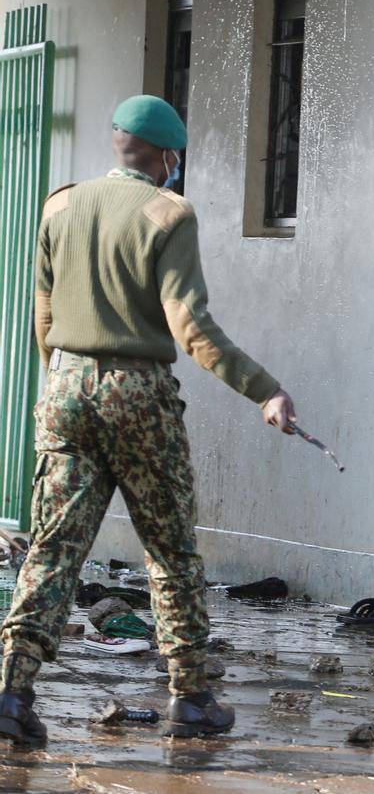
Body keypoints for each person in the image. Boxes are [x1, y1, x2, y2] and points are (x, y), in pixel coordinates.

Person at [0, 95, 297, 746]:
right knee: (168, 548)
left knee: (54, 546)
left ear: (116, 145)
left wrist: (61, 384)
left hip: (66, 386)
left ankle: (12, 693)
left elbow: (42, 315)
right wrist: (264, 389)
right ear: (167, 156)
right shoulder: (169, 213)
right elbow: (189, 326)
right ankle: (191, 697)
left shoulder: (59, 205)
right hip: (139, 393)